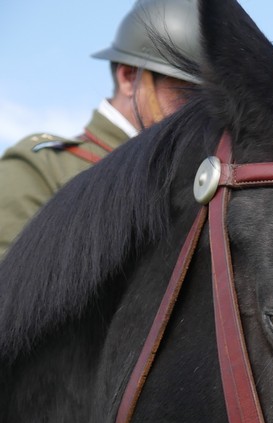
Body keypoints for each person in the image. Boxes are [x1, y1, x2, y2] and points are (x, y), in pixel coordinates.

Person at [0, 0, 200, 260]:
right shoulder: (43, 166)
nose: (198, 113)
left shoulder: (194, 183)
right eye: (186, 93)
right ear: (129, 77)